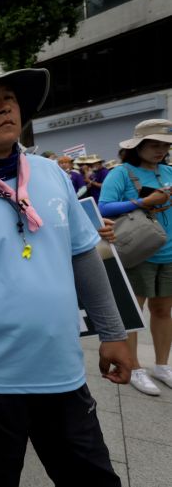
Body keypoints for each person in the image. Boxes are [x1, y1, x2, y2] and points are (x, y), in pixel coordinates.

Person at [0, 62, 132, 487]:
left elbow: (83, 256)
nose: (4, 107)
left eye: (9, 99)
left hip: (63, 377)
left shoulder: (51, 174)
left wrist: (113, 333)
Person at [98, 119, 172, 396]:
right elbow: (103, 206)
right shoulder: (121, 174)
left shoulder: (168, 170)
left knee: (163, 310)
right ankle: (135, 367)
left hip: (169, 252)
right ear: (137, 145)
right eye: (154, 144)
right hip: (138, 251)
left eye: (165, 145)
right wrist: (144, 202)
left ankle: (162, 365)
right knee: (133, 314)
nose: (160, 150)